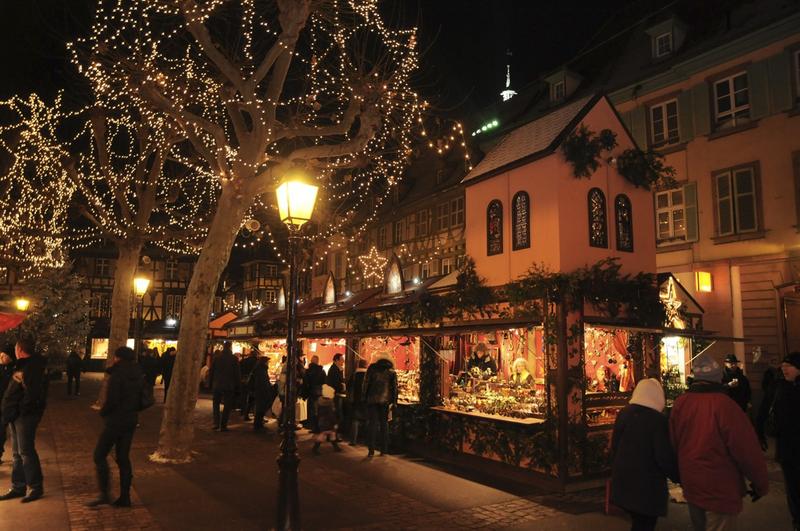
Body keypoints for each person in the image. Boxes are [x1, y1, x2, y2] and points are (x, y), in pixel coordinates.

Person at [670, 354, 768, 530]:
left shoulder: (681, 404)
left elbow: (674, 443)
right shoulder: (726, 406)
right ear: (718, 378)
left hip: (692, 484)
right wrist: (760, 483)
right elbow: (746, 450)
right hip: (720, 487)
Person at [611, 379, 679, 531]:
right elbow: (663, 456)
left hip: (624, 481)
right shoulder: (658, 421)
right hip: (646, 486)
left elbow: (615, 446)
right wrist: (678, 476)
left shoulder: (624, 413)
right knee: (645, 524)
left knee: (639, 523)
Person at [86, 346, 145, 508]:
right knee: (123, 457)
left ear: (118, 358)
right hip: (131, 420)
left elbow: (112, 400)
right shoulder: (138, 374)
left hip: (116, 420)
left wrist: (103, 413)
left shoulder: (117, 375)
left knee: (99, 455)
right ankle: (125, 497)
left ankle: (104, 493)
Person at [0, 338, 47, 503]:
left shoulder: (31, 367)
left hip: (23, 416)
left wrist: (20, 410)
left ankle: (35, 486)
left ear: (19, 349)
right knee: (16, 453)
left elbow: (32, 395)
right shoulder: (21, 365)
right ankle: (18, 486)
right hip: (15, 415)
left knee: (25, 451)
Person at [757, 352, 800, 530]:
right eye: (783, 365)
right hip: (788, 447)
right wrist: (759, 432)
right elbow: (764, 409)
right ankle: (797, 519)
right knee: (793, 486)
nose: (784, 368)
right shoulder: (777, 386)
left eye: (789, 365)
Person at [363, 353, 397, 457]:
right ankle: (384, 449)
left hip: (372, 400)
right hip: (385, 401)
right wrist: (394, 402)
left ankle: (371, 450)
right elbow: (394, 388)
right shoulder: (391, 371)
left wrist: (364, 397)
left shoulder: (372, 369)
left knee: (372, 424)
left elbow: (366, 384)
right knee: (384, 425)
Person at [210, 345, 240, 431]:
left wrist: (210, 383)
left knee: (216, 404)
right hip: (229, 385)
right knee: (227, 405)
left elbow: (212, 371)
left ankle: (216, 423)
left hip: (217, 384)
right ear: (230, 348)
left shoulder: (217, 358)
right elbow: (237, 373)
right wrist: (238, 386)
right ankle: (223, 425)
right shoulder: (234, 359)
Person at [312, 385, 342, 454]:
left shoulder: (319, 401)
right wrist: (335, 422)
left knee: (329, 434)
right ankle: (315, 448)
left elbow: (316, 412)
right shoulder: (330, 403)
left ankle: (335, 447)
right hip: (328, 421)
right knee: (325, 434)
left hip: (321, 421)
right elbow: (331, 414)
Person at [346, 358, 368, 445]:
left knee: (355, 420)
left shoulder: (354, 375)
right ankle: (366, 440)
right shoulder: (368, 375)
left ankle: (353, 440)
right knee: (366, 420)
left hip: (355, 400)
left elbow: (348, 386)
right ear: (366, 365)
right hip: (365, 401)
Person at [0, 348, 16, 464]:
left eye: (4, 355)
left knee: (2, 430)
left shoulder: (12, 370)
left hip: (5, 405)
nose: (1, 357)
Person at [251, 356, 274, 432]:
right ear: (264, 362)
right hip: (261, 392)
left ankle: (258, 424)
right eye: (267, 362)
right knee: (260, 408)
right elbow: (262, 382)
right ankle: (258, 425)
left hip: (260, 391)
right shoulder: (261, 370)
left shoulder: (260, 369)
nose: (268, 363)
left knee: (260, 408)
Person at [303, 355, 326, 433]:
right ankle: (319, 427)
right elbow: (324, 382)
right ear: (317, 361)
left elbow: (306, 383)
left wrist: (304, 394)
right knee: (319, 411)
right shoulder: (322, 371)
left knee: (312, 411)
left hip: (311, 393)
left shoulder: (308, 371)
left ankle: (314, 427)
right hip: (319, 393)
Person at [326, 353, 346, 440]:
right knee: (336, 416)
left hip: (335, 395)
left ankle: (331, 435)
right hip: (335, 395)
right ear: (336, 360)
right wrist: (342, 386)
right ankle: (334, 435)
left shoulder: (336, 369)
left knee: (335, 416)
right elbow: (335, 383)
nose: (343, 361)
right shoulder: (334, 370)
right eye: (342, 359)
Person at [239, 348, 258, 420]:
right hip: (251, 382)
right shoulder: (256, 362)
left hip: (243, 380)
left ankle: (243, 410)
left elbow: (239, 369)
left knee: (243, 396)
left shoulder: (243, 361)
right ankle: (250, 412)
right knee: (251, 397)